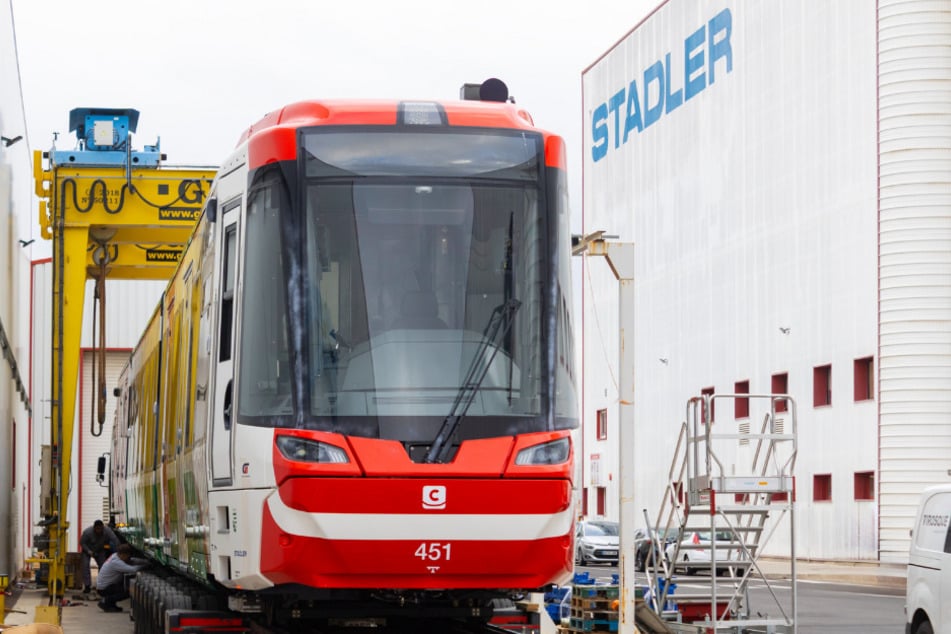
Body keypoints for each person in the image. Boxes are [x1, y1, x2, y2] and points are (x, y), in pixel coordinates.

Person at [96, 543, 148, 612]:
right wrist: (146, 566)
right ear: (123, 554)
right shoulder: (116, 562)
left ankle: (111, 605)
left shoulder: (115, 555)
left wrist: (145, 561)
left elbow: (132, 560)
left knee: (122, 585)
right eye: (128, 556)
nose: (128, 558)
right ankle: (106, 601)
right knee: (129, 591)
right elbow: (133, 569)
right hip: (104, 589)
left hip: (106, 586)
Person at [79, 519, 118, 593]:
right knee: (85, 566)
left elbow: (115, 539)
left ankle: (101, 585)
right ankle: (87, 586)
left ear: (103, 527)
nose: (99, 531)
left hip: (100, 550)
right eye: (97, 529)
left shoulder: (107, 531)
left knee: (103, 566)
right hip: (87, 550)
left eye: (101, 529)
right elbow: (82, 543)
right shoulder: (87, 532)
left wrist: (119, 550)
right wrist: (88, 551)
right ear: (94, 528)